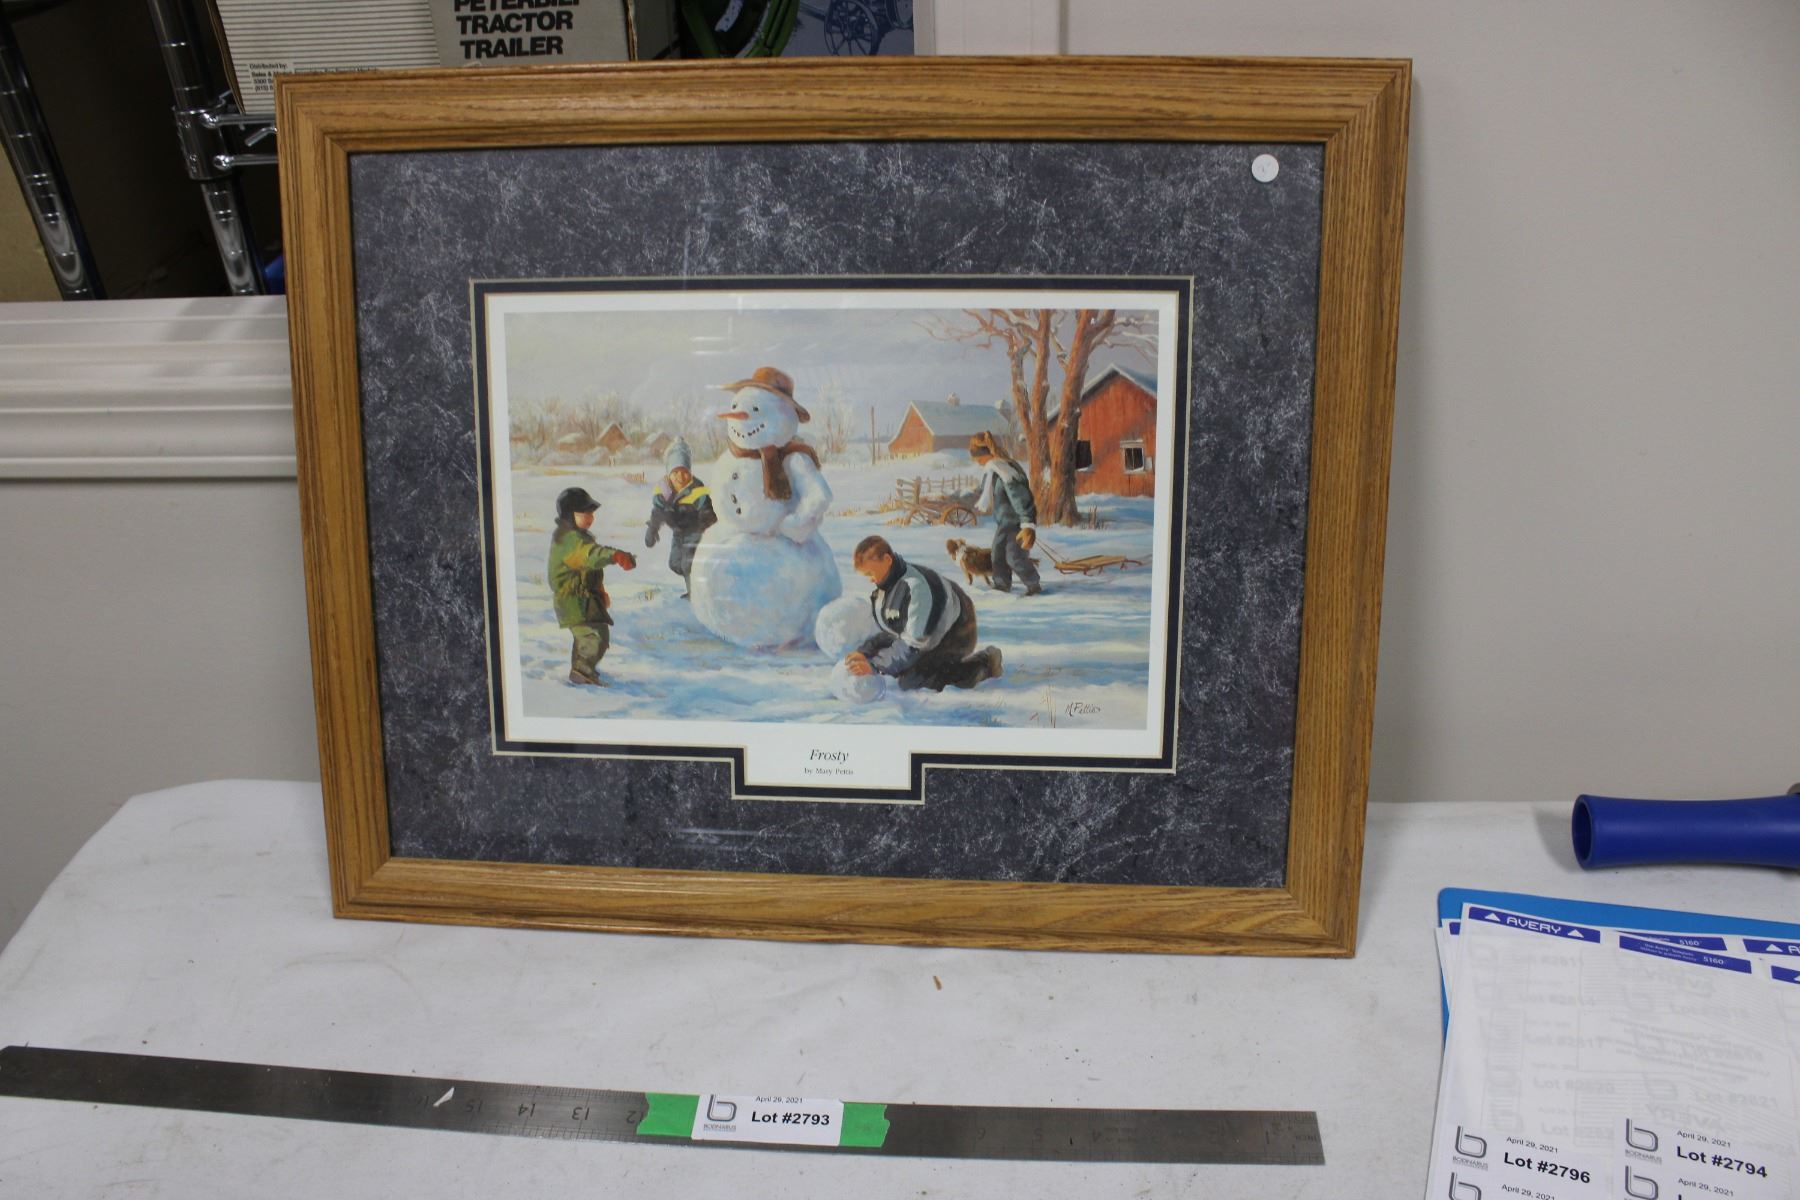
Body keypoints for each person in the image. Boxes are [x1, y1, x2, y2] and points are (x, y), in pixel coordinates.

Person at [844, 535, 1002, 691]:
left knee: (912, 681)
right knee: (898, 667)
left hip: (956, 634)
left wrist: (874, 666)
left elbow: (913, 645)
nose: (870, 580)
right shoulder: (887, 585)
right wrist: (865, 652)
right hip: (927, 635)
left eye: (870, 573)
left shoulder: (916, 587)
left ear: (887, 560)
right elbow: (893, 630)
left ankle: (985, 664)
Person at [548, 486, 635, 687]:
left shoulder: (578, 537)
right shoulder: (569, 540)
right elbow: (590, 556)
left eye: (591, 513)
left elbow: (590, 571)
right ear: (570, 515)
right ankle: (582, 671)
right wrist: (614, 556)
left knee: (591, 635)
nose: (590, 518)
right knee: (593, 636)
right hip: (573, 600)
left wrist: (601, 591)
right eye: (584, 513)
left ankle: (582, 669)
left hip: (585, 598)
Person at [968, 431, 1043, 596]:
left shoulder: (1005, 471)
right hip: (1004, 523)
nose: (977, 463)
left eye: (978, 459)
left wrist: (1027, 523)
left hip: (1016, 523)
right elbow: (982, 492)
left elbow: (1020, 497)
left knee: (1014, 557)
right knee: (997, 555)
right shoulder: (992, 471)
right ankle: (1002, 587)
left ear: (984, 455)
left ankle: (1033, 585)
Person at [644, 438, 716, 598]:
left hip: (696, 531)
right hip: (678, 532)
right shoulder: (664, 490)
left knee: (688, 563)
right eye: (675, 472)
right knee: (675, 563)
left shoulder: (697, 489)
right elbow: (658, 511)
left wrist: (707, 527)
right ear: (668, 473)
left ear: (690, 472)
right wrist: (652, 529)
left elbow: (707, 511)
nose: (680, 477)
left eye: (684, 472)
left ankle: (695, 594)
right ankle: (698, 581)